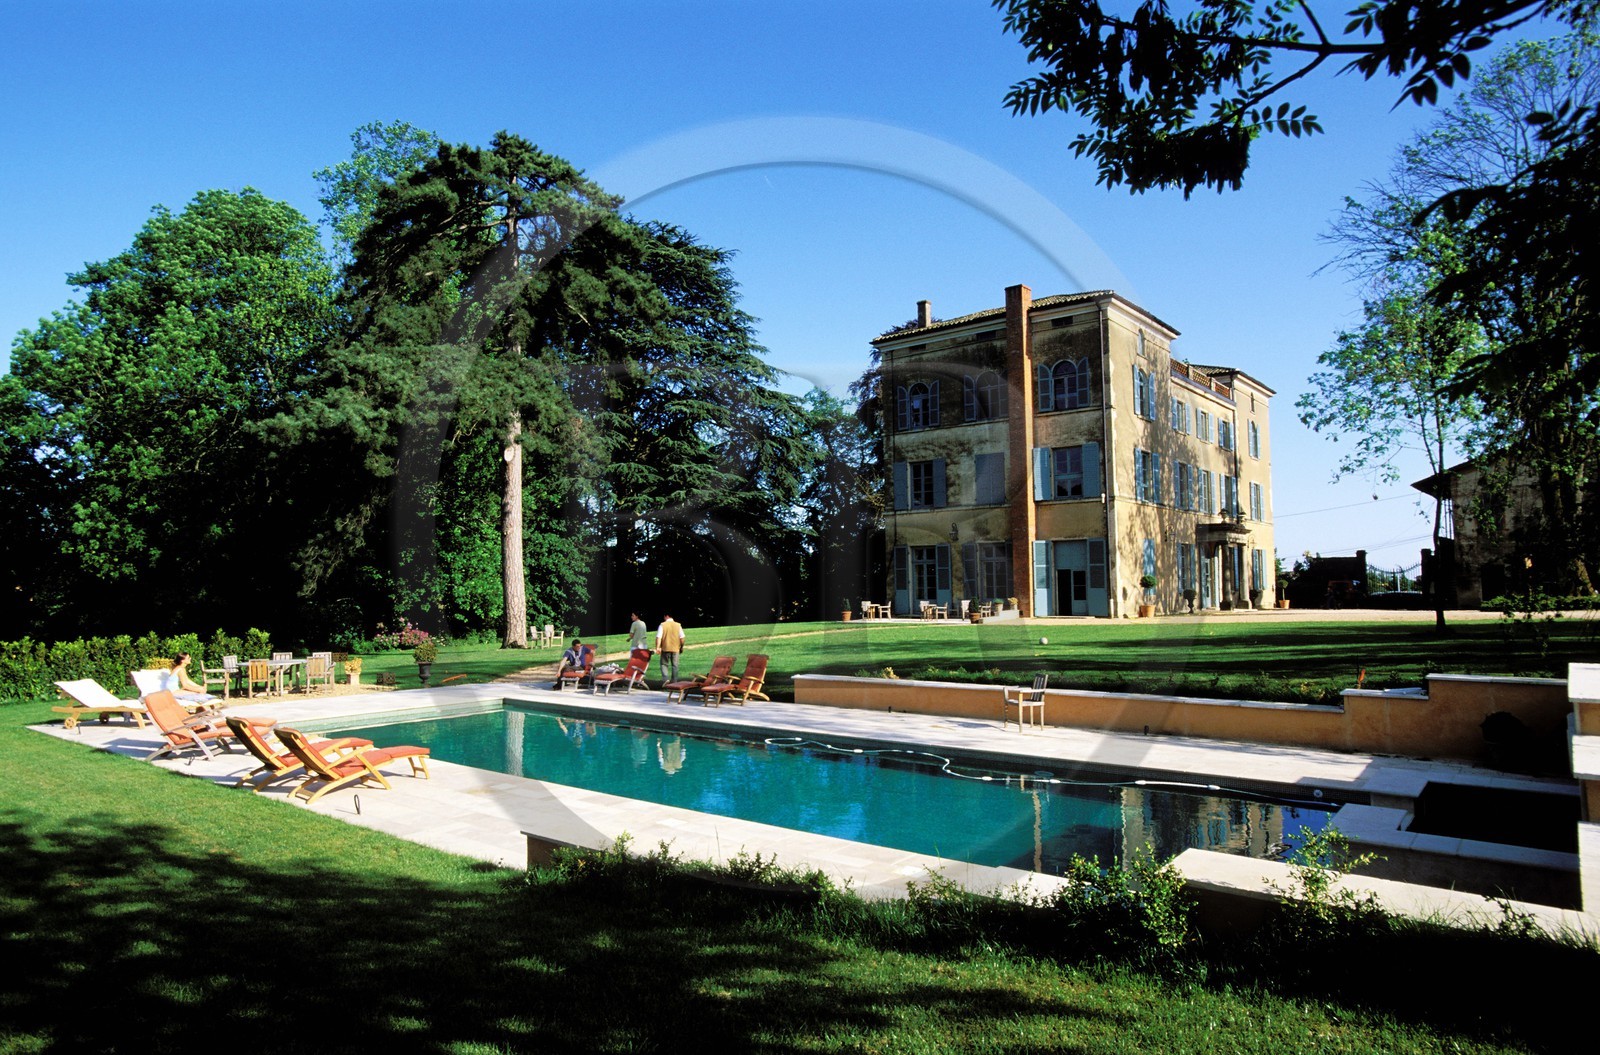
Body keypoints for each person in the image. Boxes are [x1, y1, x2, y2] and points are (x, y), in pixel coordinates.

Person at [655, 614, 685, 684]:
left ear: (666, 616)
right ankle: (674, 681)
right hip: (675, 648)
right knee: (675, 665)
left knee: (664, 664)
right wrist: (681, 646)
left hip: (665, 648)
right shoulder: (678, 625)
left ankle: (665, 679)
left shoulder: (662, 625)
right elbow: (682, 638)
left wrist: (657, 647)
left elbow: (658, 637)